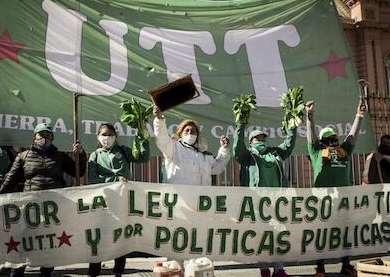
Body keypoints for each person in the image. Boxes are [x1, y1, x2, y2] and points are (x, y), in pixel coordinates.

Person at [0, 123, 86, 277]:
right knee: (24, 242)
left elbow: (78, 171)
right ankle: (16, 272)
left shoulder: (59, 156)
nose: (45, 138)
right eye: (41, 135)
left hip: (53, 208)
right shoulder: (23, 156)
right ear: (34, 137)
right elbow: (10, 180)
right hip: (30, 207)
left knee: (49, 243)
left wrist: (81, 155)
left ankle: (46, 273)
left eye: (48, 135)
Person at [306, 100, 365, 277]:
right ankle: (320, 268)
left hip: (342, 201)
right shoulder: (316, 151)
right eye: (330, 138)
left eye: (335, 137)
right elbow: (310, 135)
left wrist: (359, 116)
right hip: (322, 202)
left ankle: (346, 265)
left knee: (345, 233)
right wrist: (309, 116)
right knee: (322, 234)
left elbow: (353, 136)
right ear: (323, 141)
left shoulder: (344, 151)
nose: (334, 140)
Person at [233, 115, 297, 277]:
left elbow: (288, 145)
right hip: (256, 202)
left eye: (263, 138)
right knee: (260, 235)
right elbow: (236, 146)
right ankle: (263, 268)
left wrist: (292, 126)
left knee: (279, 234)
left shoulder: (274, 153)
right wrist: (241, 124)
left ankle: (279, 268)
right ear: (251, 142)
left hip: (276, 201)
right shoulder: (246, 156)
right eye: (257, 138)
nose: (260, 140)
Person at [87, 123, 150, 277]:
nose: (106, 138)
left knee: (120, 235)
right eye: (103, 134)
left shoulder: (123, 151)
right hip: (103, 202)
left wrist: (144, 139)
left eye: (109, 134)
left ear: (115, 136)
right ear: (98, 137)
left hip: (122, 201)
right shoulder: (95, 155)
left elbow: (143, 157)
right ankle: (94, 271)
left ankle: (118, 271)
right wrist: (115, 178)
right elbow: (93, 178)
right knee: (99, 236)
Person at [153, 106, 230, 186]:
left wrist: (224, 149)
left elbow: (218, 167)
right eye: (187, 130)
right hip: (180, 196)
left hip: (200, 196)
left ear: (197, 136)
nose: (190, 133)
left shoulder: (205, 155)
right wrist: (159, 120)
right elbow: (162, 139)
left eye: (193, 131)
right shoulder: (174, 148)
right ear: (181, 134)